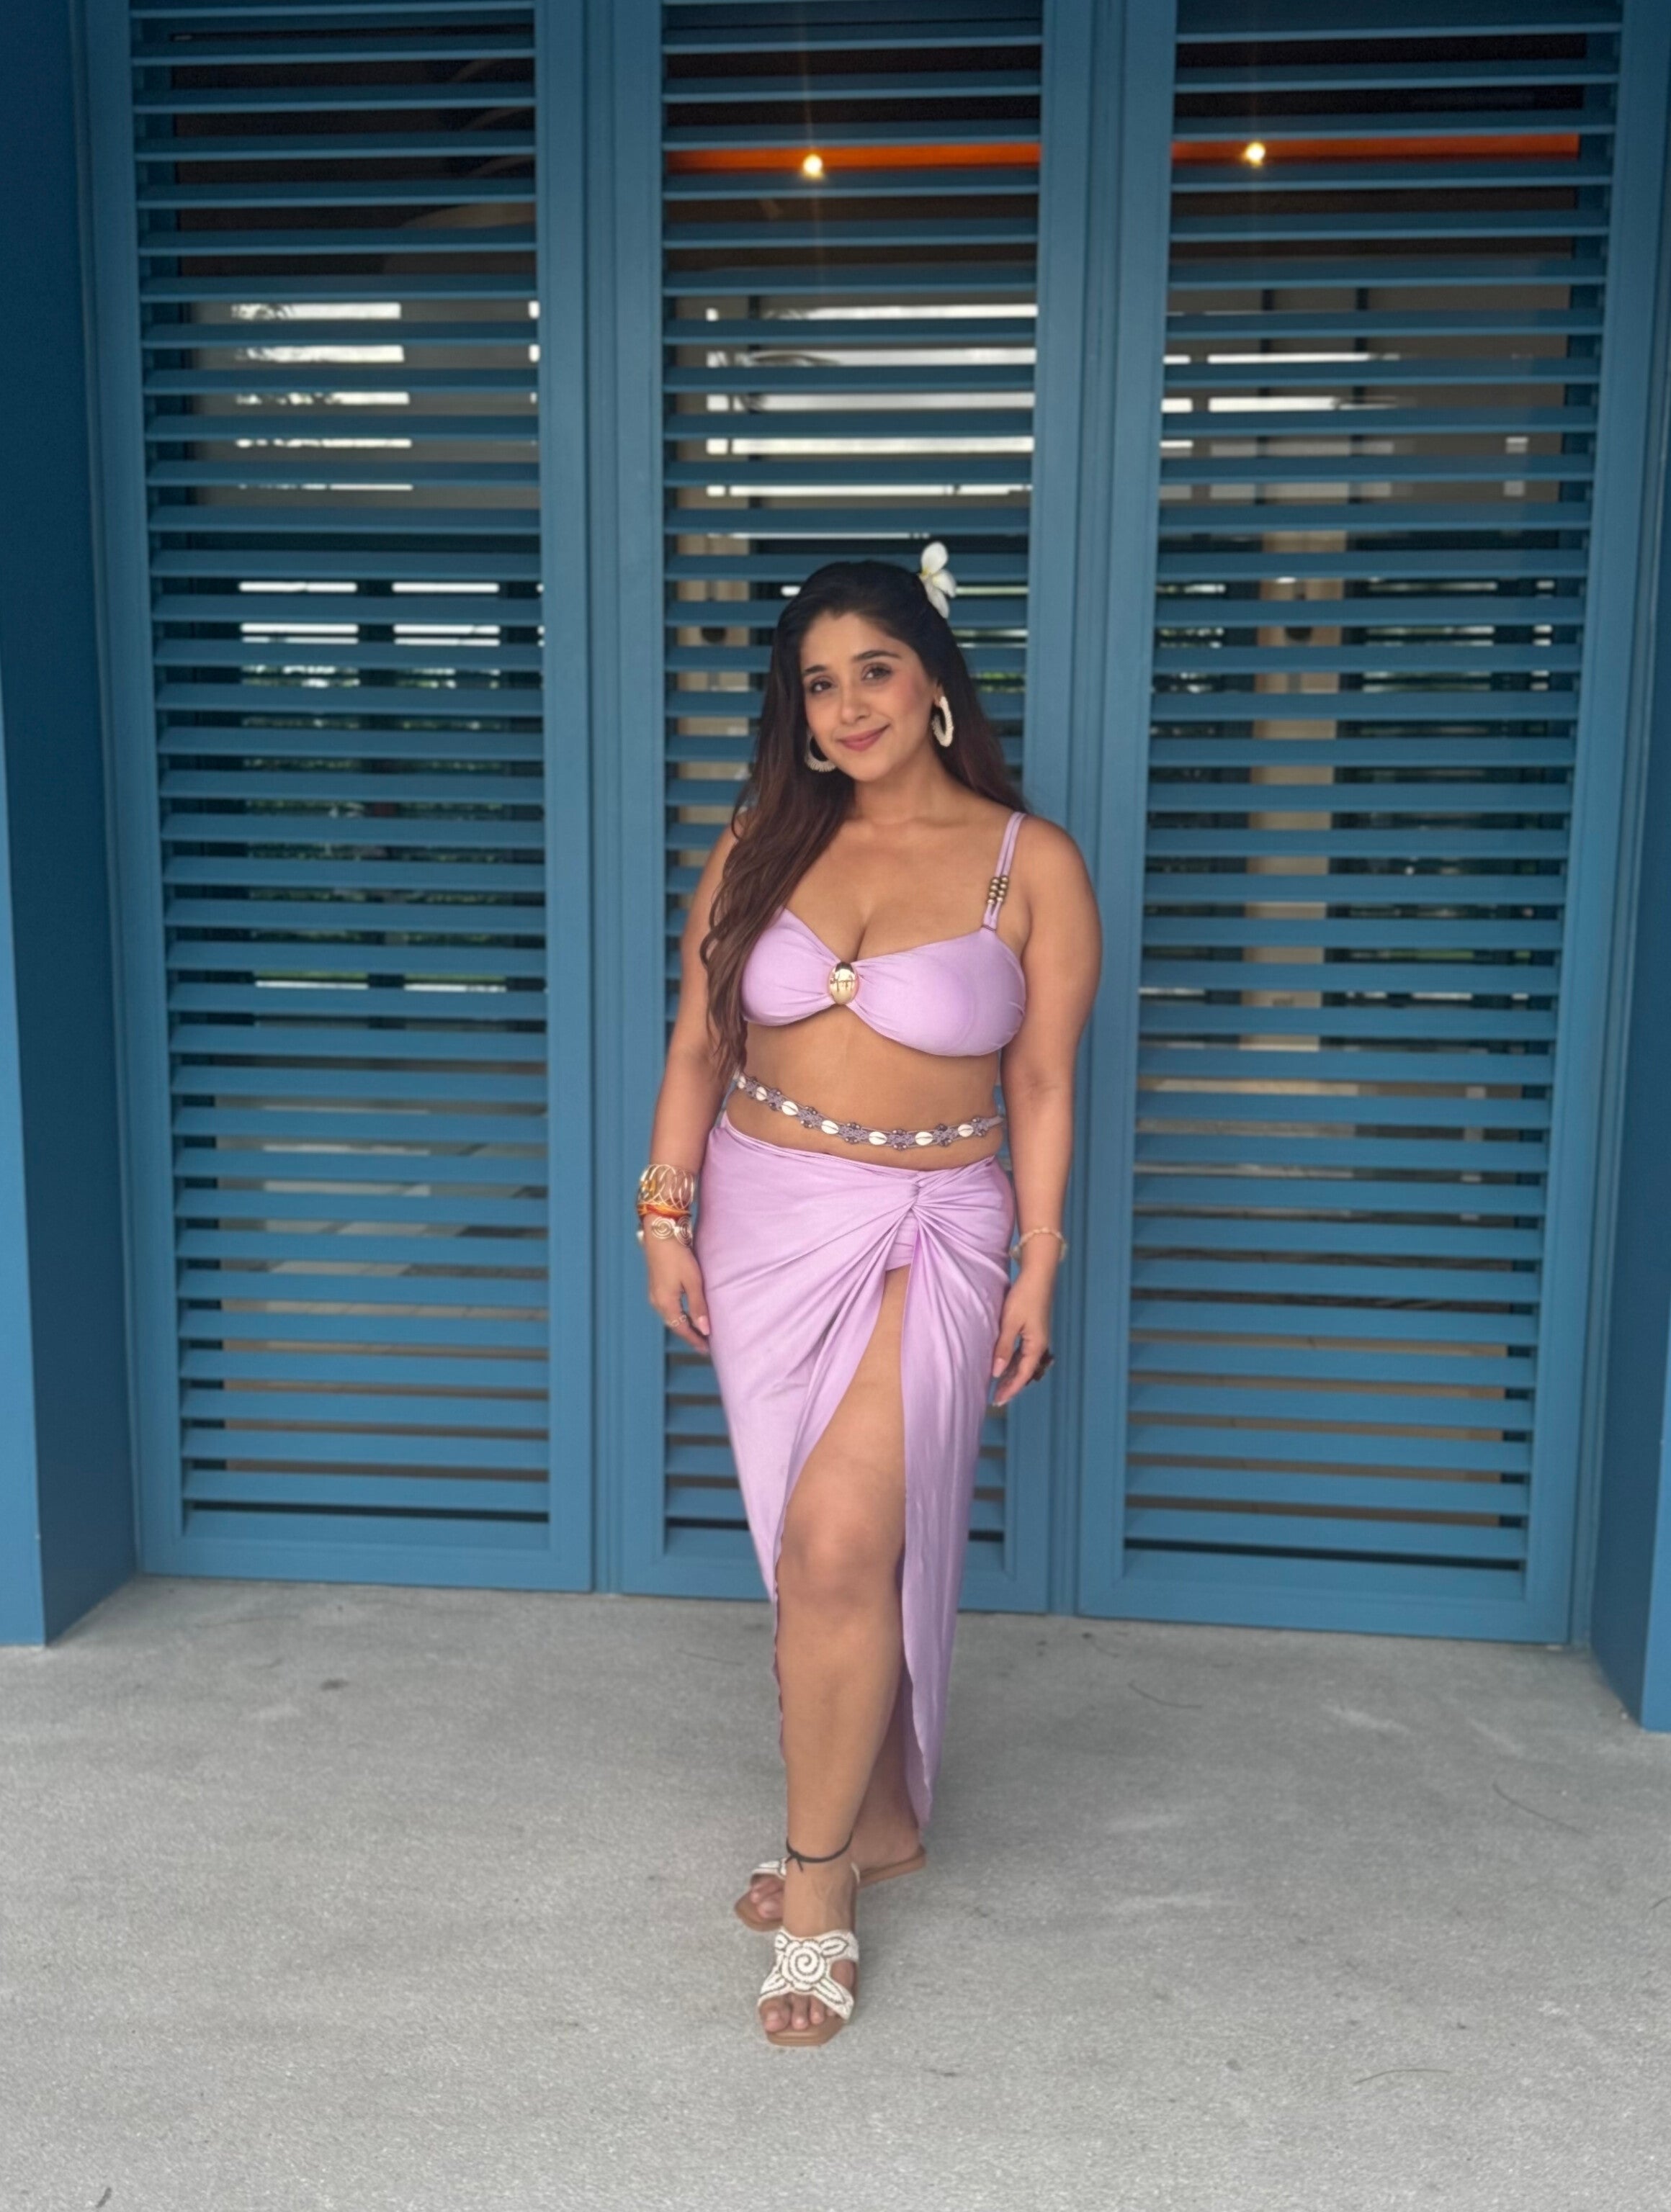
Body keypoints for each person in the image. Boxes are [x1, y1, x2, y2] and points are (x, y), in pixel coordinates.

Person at [635, 547, 1101, 2045]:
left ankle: (820, 1882)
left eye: (874, 671)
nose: (847, 707)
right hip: (764, 1220)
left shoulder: (1029, 863)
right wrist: (662, 1214)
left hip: (931, 1227)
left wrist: (1040, 1258)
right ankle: (878, 1818)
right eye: (817, 684)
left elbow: (1042, 1083)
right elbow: (698, 1045)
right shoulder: (760, 839)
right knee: (808, 1556)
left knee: (840, 1544)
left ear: (935, 679)